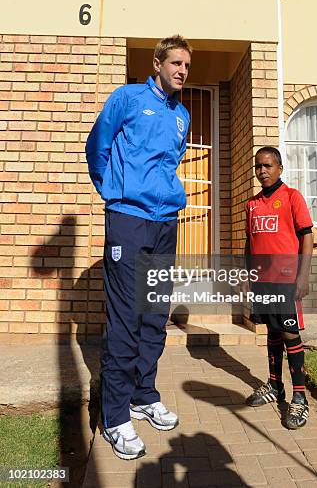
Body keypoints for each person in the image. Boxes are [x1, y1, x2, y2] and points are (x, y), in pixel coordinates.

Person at [85, 35, 192, 459]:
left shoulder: (182, 114)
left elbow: (171, 163)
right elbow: (99, 145)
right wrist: (114, 191)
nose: (183, 71)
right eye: (176, 63)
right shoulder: (128, 98)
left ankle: (143, 395)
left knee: (153, 315)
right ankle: (114, 417)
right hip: (129, 222)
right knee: (126, 318)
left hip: (165, 223)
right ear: (158, 63)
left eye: (187, 65)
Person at [244, 146, 313, 429]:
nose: (262, 171)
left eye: (268, 165)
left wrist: (303, 276)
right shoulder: (251, 204)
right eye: (258, 166)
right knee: (272, 330)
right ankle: (275, 386)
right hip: (263, 281)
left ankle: (300, 397)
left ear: (280, 168)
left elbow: (307, 237)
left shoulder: (292, 197)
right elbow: (250, 243)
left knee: (289, 331)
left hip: (286, 279)